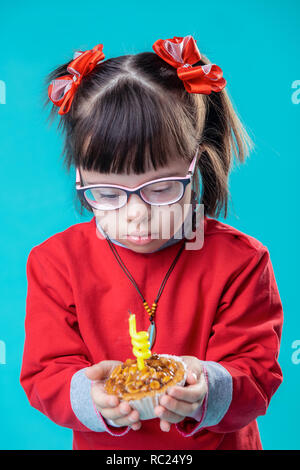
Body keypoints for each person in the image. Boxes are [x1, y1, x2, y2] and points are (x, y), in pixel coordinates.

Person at [20, 35, 283, 450]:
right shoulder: (55, 263)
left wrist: (207, 391)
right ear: (81, 178)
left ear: (196, 163)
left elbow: (257, 372)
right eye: (106, 193)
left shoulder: (241, 261)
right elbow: (45, 370)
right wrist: (91, 398)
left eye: (160, 189)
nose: (135, 213)